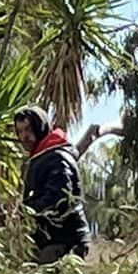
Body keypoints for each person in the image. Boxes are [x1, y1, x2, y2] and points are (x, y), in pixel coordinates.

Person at [13, 106, 90, 263]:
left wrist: (27, 211)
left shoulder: (55, 158)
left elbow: (59, 199)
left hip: (62, 240)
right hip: (53, 239)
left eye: (28, 129)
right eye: (20, 132)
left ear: (39, 127)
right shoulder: (44, 157)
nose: (24, 136)